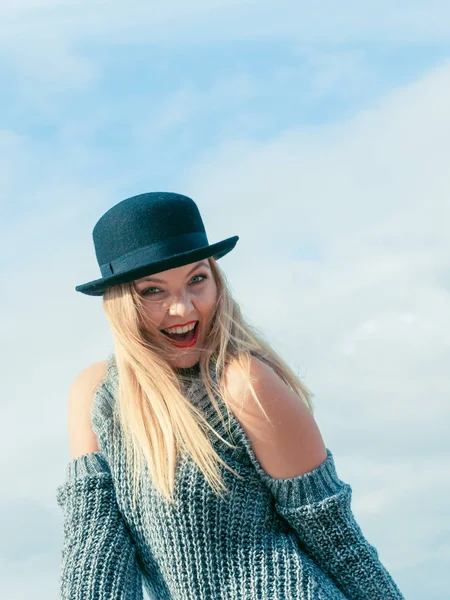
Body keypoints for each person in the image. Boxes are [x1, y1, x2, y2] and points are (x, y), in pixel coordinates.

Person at [56, 191, 405, 599]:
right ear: (120, 302)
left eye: (197, 279)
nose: (182, 309)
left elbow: (339, 542)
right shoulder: (97, 396)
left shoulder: (244, 384)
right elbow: (94, 550)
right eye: (154, 291)